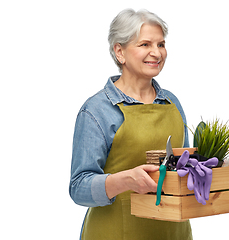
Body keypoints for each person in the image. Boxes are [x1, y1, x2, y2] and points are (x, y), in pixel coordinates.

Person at [69, 9, 193, 239]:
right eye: (145, 44)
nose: (156, 53)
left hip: (173, 233)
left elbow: (183, 169)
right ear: (120, 52)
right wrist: (125, 180)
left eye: (161, 44)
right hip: (115, 232)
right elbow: (78, 188)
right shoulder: (97, 110)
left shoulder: (172, 103)